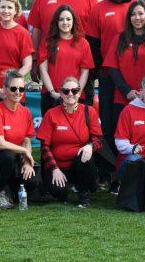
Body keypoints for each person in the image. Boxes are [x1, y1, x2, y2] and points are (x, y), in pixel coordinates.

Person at [103, 0, 145, 189]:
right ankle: (119, 179)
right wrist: (128, 91)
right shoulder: (119, 38)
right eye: (133, 14)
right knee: (122, 140)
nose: (137, 18)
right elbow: (112, 68)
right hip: (123, 98)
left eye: (141, 14)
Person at [87, 0, 139, 139]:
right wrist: (96, 70)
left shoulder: (139, 8)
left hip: (134, 72)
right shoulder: (98, 8)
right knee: (108, 118)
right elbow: (93, 43)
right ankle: (109, 158)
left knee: (135, 116)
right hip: (108, 72)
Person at [37, 76, 103, 208]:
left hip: (80, 163)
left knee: (86, 156)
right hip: (59, 166)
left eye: (74, 90)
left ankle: (84, 194)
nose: (70, 94)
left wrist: (90, 146)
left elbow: (98, 140)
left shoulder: (89, 111)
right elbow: (44, 147)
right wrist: (55, 169)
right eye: (66, 91)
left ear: (80, 92)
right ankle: (66, 188)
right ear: (60, 93)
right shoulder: (51, 114)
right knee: (57, 191)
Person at [28, 0, 98, 75]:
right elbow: (37, 30)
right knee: (51, 93)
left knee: (82, 93)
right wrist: (34, 60)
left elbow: (97, 29)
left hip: (81, 63)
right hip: (51, 62)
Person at [0, 70, 38, 209]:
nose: (18, 92)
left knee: (33, 181)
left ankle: (11, 191)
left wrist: (27, 162)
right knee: (7, 155)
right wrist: (24, 151)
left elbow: (27, 141)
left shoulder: (25, 112)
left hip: (16, 159)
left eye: (21, 89)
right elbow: (0, 144)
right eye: (14, 88)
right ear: (4, 89)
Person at [38, 5, 93, 113]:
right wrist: (53, 92)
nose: (65, 22)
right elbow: (43, 70)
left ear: (73, 21)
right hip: (51, 96)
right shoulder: (47, 42)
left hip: (74, 97)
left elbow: (85, 72)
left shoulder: (83, 43)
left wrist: (76, 92)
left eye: (68, 19)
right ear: (56, 22)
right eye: (61, 19)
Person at [0, 0, 34, 101]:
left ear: (15, 10)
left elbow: (28, 64)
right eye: (3, 7)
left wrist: (11, 82)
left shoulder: (22, 33)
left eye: (10, 7)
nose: (6, 11)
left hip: (13, 91)